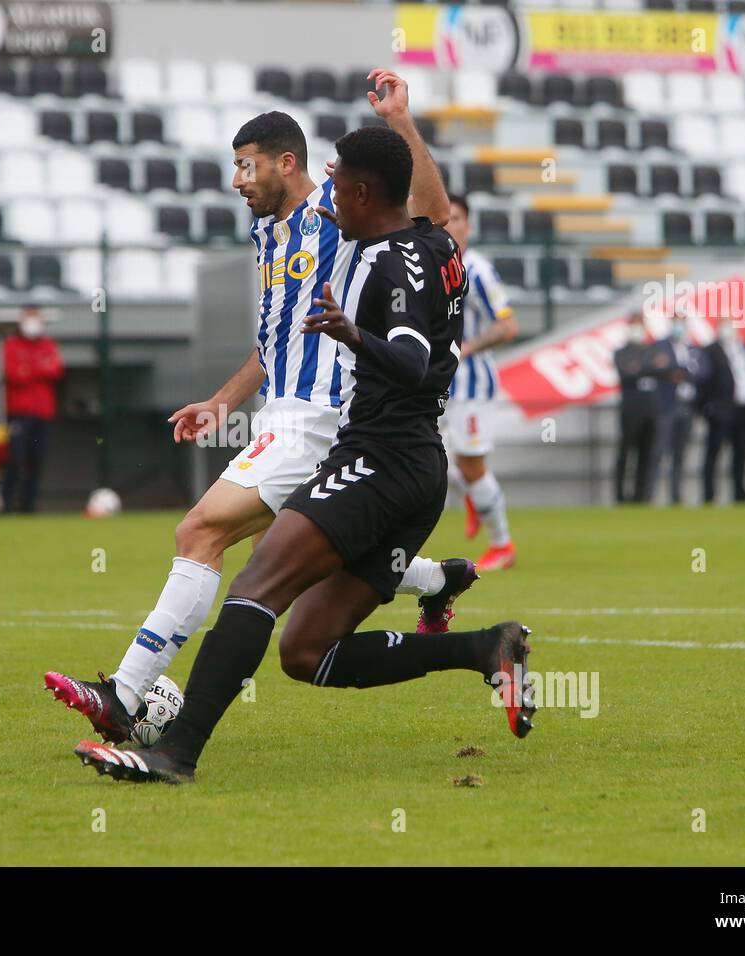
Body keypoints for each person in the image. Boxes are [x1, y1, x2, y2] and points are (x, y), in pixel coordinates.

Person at [71, 126, 533, 783]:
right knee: (306, 649)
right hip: (406, 466)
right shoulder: (428, 244)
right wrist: (403, 124)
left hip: (377, 457)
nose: (329, 193)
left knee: (252, 580)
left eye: (338, 183)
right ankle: (483, 643)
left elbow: (412, 354)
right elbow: (428, 206)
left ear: (365, 192)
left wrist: (354, 335)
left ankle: (173, 749)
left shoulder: (387, 263)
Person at [441, 193, 518, 569]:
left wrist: (466, 348)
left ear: (467, 225)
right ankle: (473, 495)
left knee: (472, 465)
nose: (450, 224)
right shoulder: (432, 264)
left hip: (470, 384)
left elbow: (507, 326)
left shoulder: (478, 270)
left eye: (457, 218)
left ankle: (502, 546)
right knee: (430, 459)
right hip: (436, 383)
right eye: (445, 217)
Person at [2, 309, 63, 512]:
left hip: (43, 413)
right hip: (19, 413)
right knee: (16, 458)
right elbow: (13, 374)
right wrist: (39, 367)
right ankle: (8, 502)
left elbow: (56, 370)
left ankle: (29, 505)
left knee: (36, 460)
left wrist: (29, 368)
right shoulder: (12, 344)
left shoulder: (48, 344)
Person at [697, 317, 745, 504]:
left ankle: (740, 495)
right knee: (713, 455)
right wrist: (709, 408)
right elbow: (703, 382)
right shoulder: (711, 350)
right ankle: (709, 496)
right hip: (721, 412)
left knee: (741, 455)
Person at [648, 311, 699, 505]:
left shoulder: (692, 348)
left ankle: (676, 496)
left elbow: (701, 371)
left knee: (681, 453)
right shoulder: (660, 346)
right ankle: (650, 495)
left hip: (687, 406)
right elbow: (656, 368)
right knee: (659, 451)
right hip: (667, 406)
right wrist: (672, 372)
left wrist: (679, 372)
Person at [613, 314, 658, 503]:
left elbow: (661, 368)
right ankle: (621, 497)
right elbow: (626, 374)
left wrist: (640, 368)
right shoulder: (622, 351)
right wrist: (648, 368)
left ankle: (641, 496)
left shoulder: (650, 350)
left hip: (650, 410)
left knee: (646, 455)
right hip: (630, 411)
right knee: (625, 454)